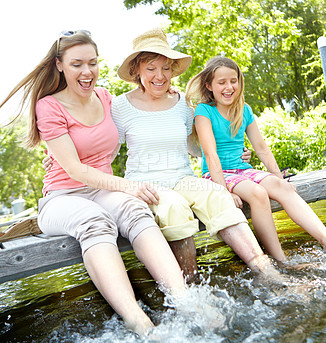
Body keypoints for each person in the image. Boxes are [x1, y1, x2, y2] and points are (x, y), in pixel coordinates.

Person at [0, 30, 187, 336]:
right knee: (95, 220)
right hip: (62, 197)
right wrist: (125, 184)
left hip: (103, 190)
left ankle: (186, 300)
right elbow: (74, 169)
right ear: (59, 65)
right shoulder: (49, 105)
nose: (87, 72)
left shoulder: (104, 97)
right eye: (77, 64)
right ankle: (138, 320)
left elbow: (130, 133)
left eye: (92, 63)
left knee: (136, 209)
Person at [111, 28, 284, 283]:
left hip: (183, 178)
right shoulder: (120, 106)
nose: (160, 76)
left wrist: (235, 153)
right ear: (136, 70)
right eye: (151, 68)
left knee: (218, 195)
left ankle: (269, 274)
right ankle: (190, 289)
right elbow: (105, 153)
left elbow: (198, 146)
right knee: (174, 207)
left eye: (166, 68)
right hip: (146, 184)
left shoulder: (182, 104)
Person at [186, 56, 326, 265]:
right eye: (221, 82)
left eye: (233, 80)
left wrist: (278, 177)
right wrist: (224, 192)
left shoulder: (244, 110)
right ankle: (280, 260)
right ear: (209, 85)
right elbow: (211, 155)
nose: (229, 87)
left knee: (281, 187)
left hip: (242, 170)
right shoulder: (205, 111)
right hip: (216, 175)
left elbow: (262, 148)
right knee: (258, 194)